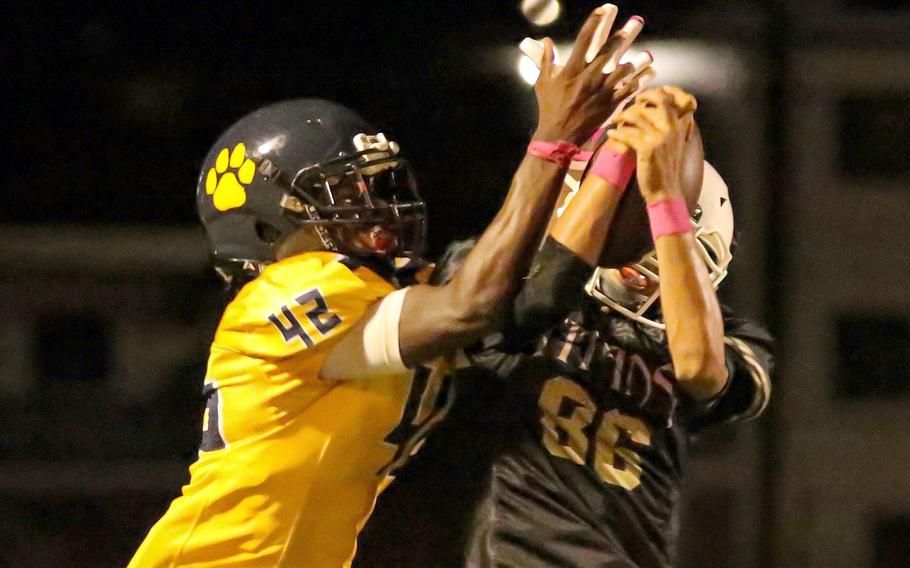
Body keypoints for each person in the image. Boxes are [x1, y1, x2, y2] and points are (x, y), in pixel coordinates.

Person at [128, 7, 652, 567]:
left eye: (377, 186)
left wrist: (614, 157)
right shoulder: (282, 295)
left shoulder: (391, 293)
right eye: (346, 195)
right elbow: (472, 306)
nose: (377, 211)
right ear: (266, 229)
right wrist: (553, 140)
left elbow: (531, 292)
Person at [355, 87, 773, 568]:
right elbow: (532, 296)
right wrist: (618, 161)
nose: (637, 261)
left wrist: (663, 199)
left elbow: (699, 366)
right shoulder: (501, 281)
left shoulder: (722, 343)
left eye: (655, 243)